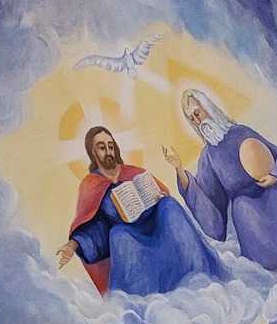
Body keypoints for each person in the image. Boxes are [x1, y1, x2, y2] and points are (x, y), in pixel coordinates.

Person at [164, 91, 277, 275]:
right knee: (243, 208)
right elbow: (210, 202)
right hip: (244, 207)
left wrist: (275, 176)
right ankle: (274, 273)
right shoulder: (208, 156)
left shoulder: (241, 132)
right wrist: (179, 170)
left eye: (198, 113)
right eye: (192, 119)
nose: (197, 121)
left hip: (270, 190)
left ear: (208, 108)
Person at [58, 126, 224, 298]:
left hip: (155, 224)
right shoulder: (91, 185)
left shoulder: (133, 172)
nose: (108, 151)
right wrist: (72, 245)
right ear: (92, 152)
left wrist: (158, 197)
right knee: (118, 235)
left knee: (169, 205)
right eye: (102, 147)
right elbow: (95, 225)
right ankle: (140, 301)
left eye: (110, 145)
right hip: (129, 234)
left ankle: (199, 277)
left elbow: (159, 193)